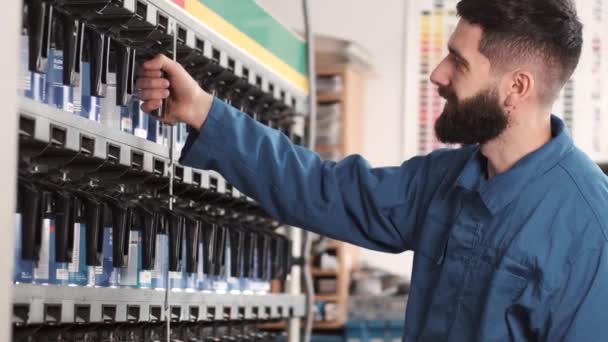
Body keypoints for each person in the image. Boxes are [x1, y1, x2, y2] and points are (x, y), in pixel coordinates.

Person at [135, 0, 608, 340]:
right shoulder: (446, 179)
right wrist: (203, 110)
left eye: (459, 63)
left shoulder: (591, 228)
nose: (438, 74)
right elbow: (323, 190)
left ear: (516, 87)